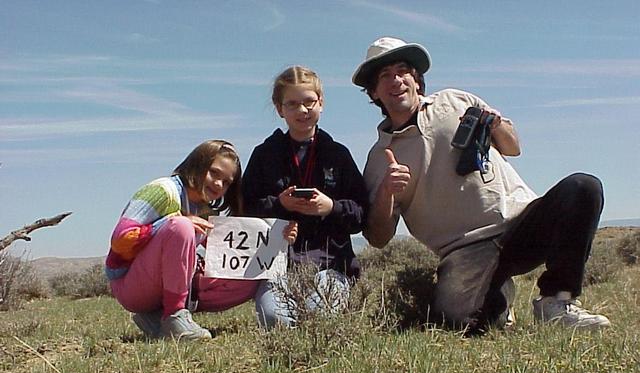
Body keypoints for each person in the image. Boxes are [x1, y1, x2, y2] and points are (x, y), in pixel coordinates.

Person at [352, 37, 609, 333]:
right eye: (384, 76)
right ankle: (496, 300)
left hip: (519, 221)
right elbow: (378, 237)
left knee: (582, 188)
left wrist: (497, 124)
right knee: (460, 324)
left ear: (416, 80)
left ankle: (556, 302)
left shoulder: (455, 100)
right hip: (465, 250)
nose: (396, 80)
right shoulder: (378, 160)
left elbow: (513, 147)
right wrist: (387, 192)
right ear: (374, 93)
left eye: (402, 71)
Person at [106, 140, 297, 340]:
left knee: (250, 279)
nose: (218, 184)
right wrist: (175, 220)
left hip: (167, 287)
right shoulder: (164, 191)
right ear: (198, 163)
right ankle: (174, 315)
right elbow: (120, 239)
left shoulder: (207, 210)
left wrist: (278, 235)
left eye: (226, 182)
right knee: (181, 228)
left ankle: (158, 318)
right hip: (131, 285)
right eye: (214, 173)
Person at [242, 66, 368, 328]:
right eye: (293, 104)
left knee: (317, 318)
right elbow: (244, 210)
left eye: (309, 102)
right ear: (280, 109)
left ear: (321, 103)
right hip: (277, 266)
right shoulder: (264, 155)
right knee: (276, 320)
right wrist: (279, 205)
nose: (302, 110)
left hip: (331, 265)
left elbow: (361, 214)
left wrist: (330, 207)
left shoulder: (338, 154)